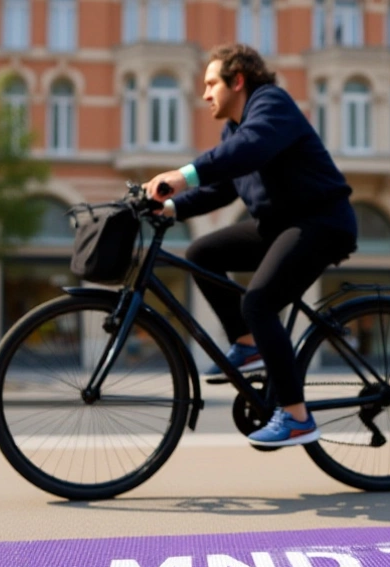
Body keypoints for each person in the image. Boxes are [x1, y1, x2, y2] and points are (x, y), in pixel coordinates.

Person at [143, 43, 358, 448]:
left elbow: (248, 150)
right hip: (279, 226)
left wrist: (183, 174)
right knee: (201, 254)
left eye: (211, 84)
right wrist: (167, 207)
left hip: (321, 222)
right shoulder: (233, 130)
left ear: (237, 80)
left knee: (257, 302)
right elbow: (222, 189)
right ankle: (248, 345)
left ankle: (296, 418)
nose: (204, 94)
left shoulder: (270, 104)